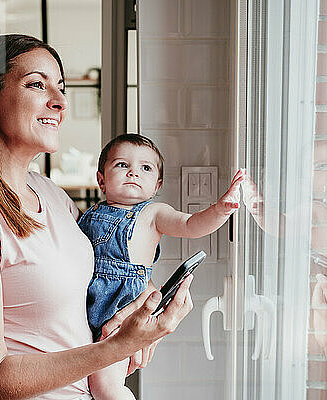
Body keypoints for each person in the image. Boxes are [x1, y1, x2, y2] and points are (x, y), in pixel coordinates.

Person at [0, 34, 194, 400]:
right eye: (37, 84)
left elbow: (100, 272)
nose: (61, 102)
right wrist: (116, 346)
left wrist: (134, 307)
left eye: (61, 88)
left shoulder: (49, 193)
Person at [78, 134, 244, 400]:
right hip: (84, 308)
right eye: (122, 165)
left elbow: (191, 225)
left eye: (145, 168)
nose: (133, 172)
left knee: (105, 388)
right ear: (101, 180)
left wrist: (220, 210)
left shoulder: (153, 214)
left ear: (157, 185)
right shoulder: (89, 213)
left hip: (123, 312)